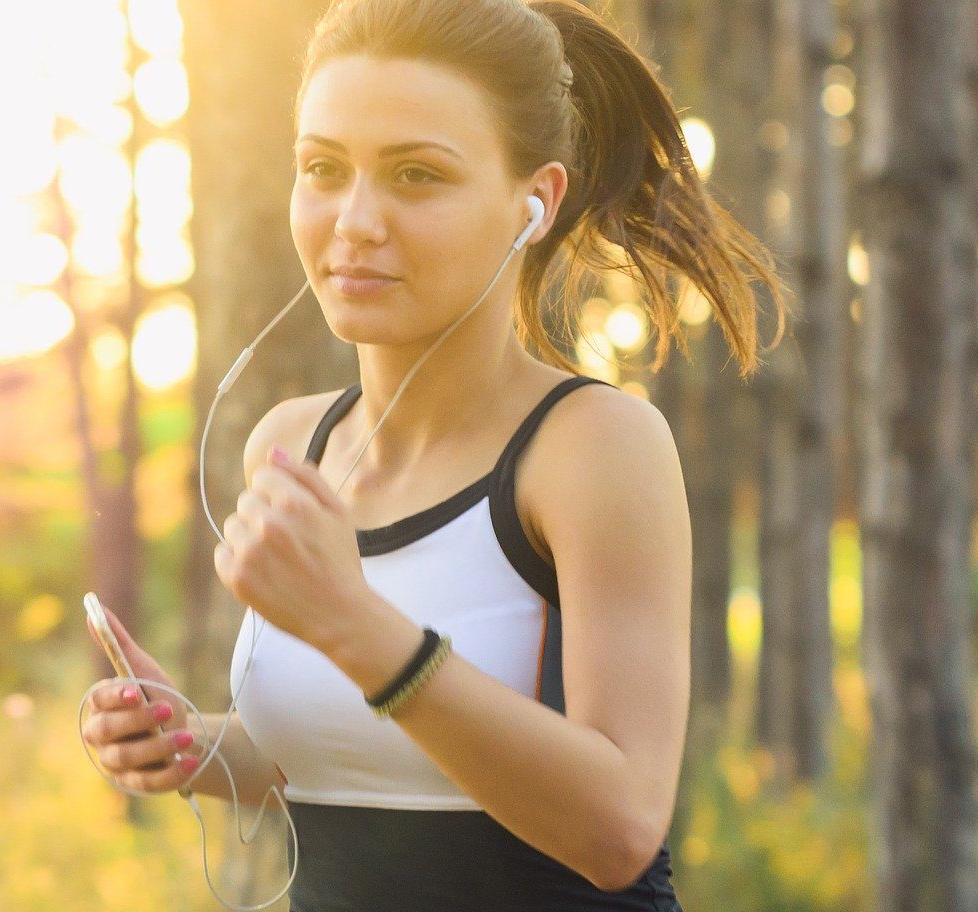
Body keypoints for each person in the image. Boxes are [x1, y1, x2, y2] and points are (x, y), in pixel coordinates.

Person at [80, 0, 788, 908]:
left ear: (536, 203)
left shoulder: (592, 448)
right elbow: (367, 765)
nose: (356, 221)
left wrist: (354, 624)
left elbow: (619, 828)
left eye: (416, 175)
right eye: (322, 169)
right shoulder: (292, 446)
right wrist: (200, 747)